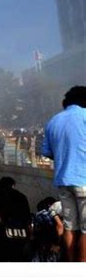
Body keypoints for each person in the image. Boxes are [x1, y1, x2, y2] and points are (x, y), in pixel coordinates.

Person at [42, 86, 86, 262]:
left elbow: (46, 151)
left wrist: (63, 155)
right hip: (84, 179)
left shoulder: (53, 121)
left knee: (70, 227)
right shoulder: (84, 116)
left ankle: (71, 265)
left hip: (63, 181)